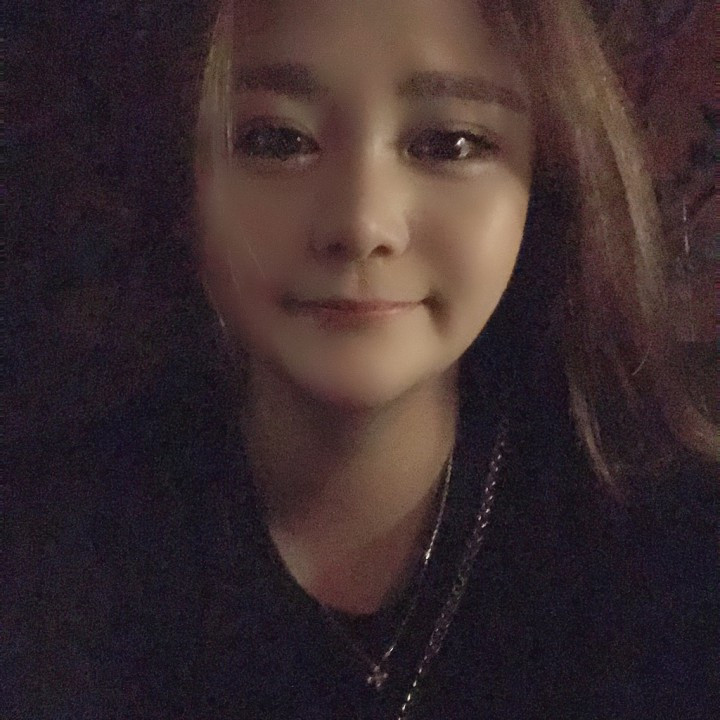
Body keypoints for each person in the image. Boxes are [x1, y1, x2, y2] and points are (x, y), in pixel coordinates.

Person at [11, 1, 718, 719]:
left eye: (449, 144)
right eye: (277, 139)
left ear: (550, 178)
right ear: (181, 177)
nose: (360, 222)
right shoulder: (47, 550)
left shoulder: (677, 555)